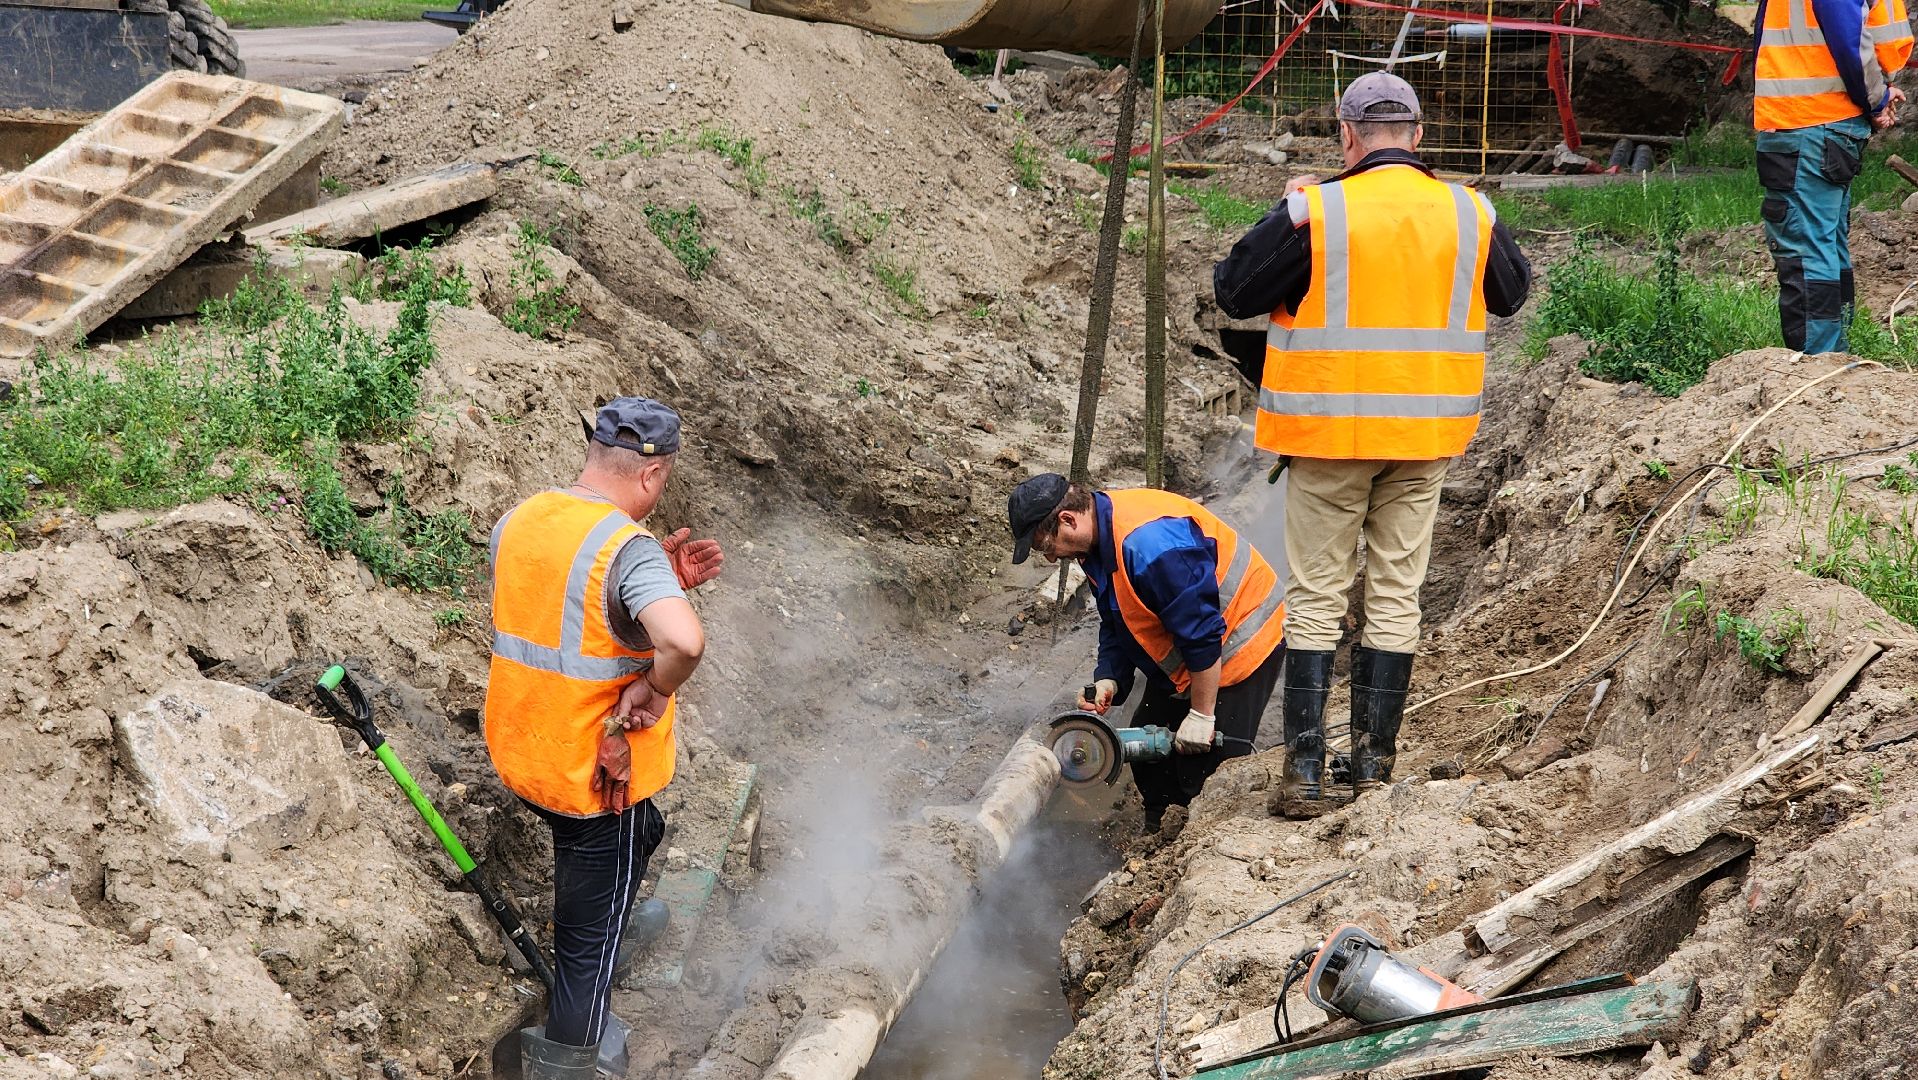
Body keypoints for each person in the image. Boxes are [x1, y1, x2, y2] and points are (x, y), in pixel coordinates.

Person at [1211, 72, 1531, 804]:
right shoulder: (1468, 211)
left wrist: (1288, 205)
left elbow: (1235, 289)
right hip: (1423, 439)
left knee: (1318, 596)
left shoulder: (1317, 211)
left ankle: (1303, 771)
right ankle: (1374, 768)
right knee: (1395, 595)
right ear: (1418, 137)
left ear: (1346, 137)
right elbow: (1511, 294)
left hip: (1330, 434)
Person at [485, 397, 723, 1079]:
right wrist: (654, 688)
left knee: (637, 839)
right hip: (595, 779)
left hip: (525, 751)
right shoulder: (626, 547)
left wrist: (655, 589)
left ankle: (610, 929)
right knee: (585, 951)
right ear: (651, 478)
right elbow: (683, 640)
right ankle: (567, 1059)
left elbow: (563, 616)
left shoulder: (521, 520)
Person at [1008, 473, 1286, 829]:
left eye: (1046, 547)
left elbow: (1202, 635)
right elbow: (1116, 617)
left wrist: (1201, 716)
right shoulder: (1093, 541)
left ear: (1067, 520)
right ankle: (1159, 835)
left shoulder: (1150, 547)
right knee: (1149, 752)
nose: (1050, 559)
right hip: (1196, 644)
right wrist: (1110, 677)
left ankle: (1197, 842)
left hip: (1242, 639)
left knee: (1205, 766)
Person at [1753, 0, 1911, 354]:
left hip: (1804, 122)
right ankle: (1834, 358)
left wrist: (1875, 98)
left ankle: (1820, 364)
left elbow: (1847, 37)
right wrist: (1877, 97)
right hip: (1826, 123)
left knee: (1807, 248)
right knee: (1824, 244)